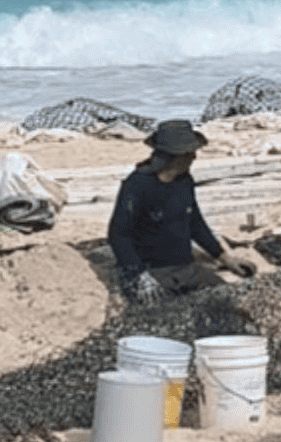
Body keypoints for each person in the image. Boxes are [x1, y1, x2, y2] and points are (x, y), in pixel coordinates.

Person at [108, 119, 257, 304]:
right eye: (190, 152)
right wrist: (138, 275)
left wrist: (225, 258)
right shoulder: (137, 186)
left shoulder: (184, 181)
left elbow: (195, 223)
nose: (194, 156)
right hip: (152, 271)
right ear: (176, 155)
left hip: (187, 268)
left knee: (230, 299)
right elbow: (118, 235)